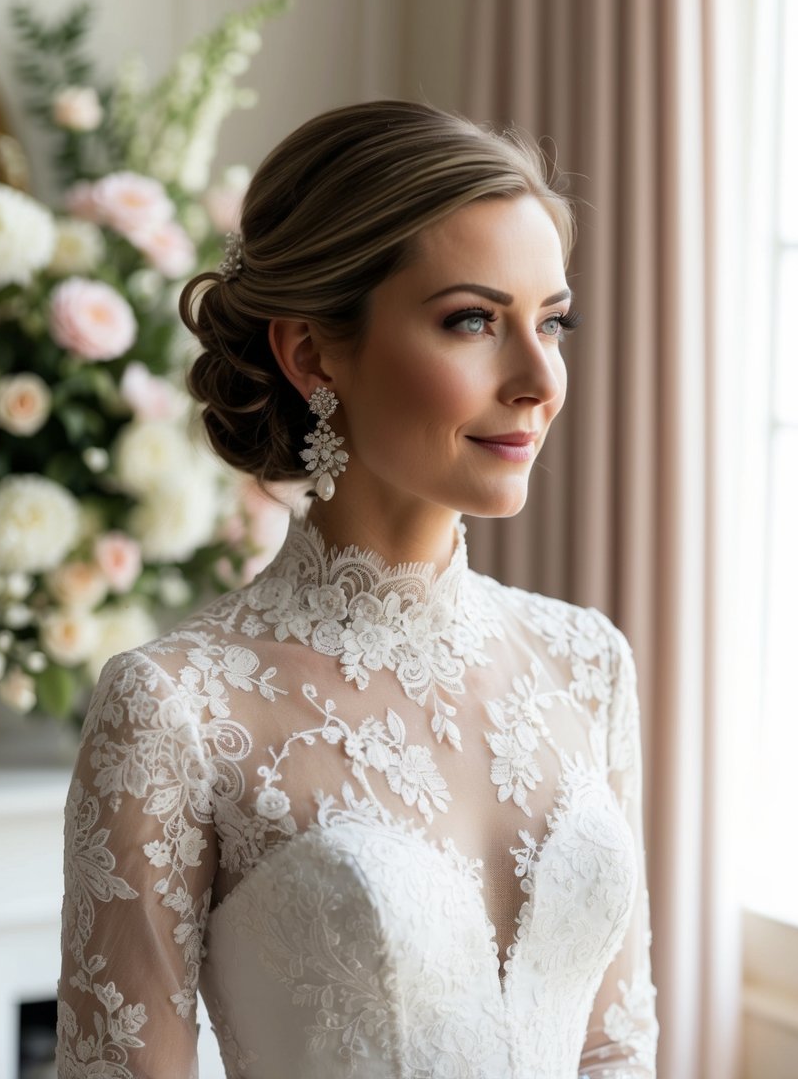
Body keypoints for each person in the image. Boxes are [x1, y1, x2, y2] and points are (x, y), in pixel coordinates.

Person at [56, 100, 658, 1078]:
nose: (538, 377)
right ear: (311, 353)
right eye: (472, 320)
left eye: (553, 321)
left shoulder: (586, 663)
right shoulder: (177, 709)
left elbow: (614, 1046)